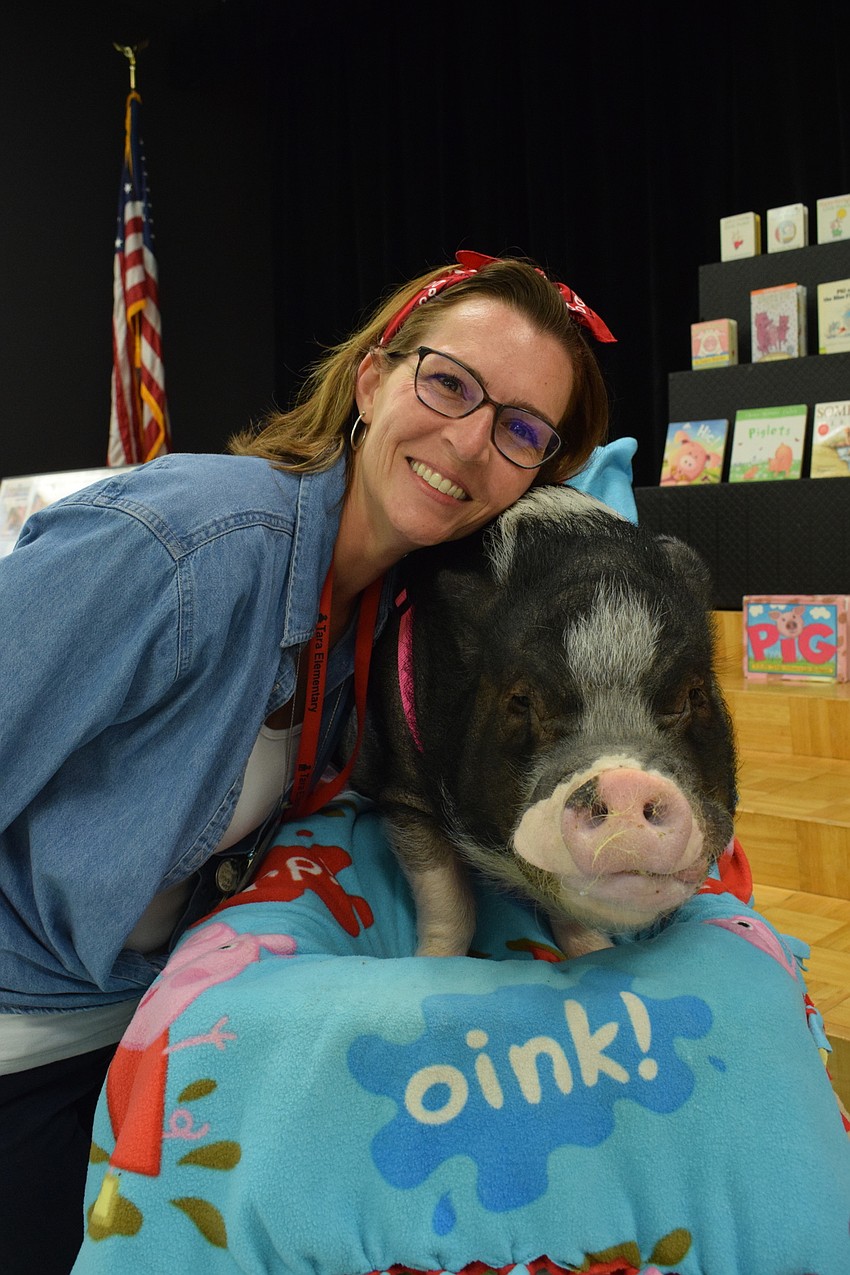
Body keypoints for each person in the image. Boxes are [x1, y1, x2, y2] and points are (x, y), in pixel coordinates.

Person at [0, 248, 616, 1273]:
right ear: (371, 380)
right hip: (26, 1035)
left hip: (155, 1025)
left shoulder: (398, 619)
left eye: (518, 431)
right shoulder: (181, 540)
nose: (468, 444)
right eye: (449, 383)